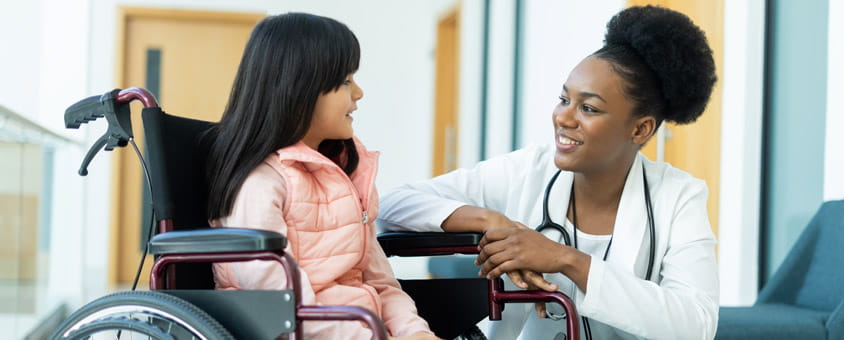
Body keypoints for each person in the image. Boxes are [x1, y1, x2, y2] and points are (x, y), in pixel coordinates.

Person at [378, 5, 718, 340]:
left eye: (588, 108)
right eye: (563, 99)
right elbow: (393, 205)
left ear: (640, 130)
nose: (563, 118)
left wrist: (566, 260)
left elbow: (696, 324)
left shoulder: (677, 196)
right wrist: (493, 222)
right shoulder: (527, 171)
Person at [206, 13, 438, 340]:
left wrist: (414, 332)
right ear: (299, 89)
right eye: (346, 81)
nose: (359, 93)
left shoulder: (345, 175)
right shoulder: (261, 183)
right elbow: (279, 306)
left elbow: (379, 282)